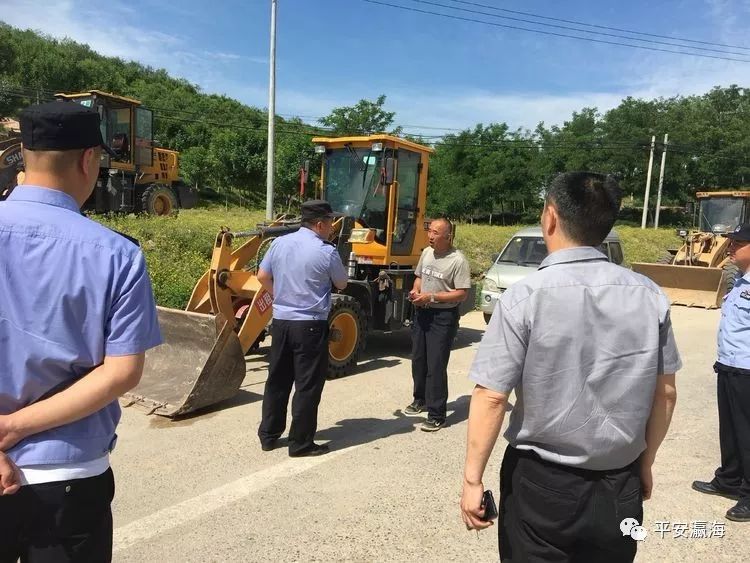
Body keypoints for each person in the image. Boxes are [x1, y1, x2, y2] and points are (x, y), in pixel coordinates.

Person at [460, 172, 680, 562]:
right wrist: (645, 464)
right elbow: (665, 392)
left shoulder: (524, 297)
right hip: (619, 481)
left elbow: (492, 397)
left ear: (550, 217)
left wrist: (472, 480)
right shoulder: (649, 296)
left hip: (542, 483)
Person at [0, 100, 162, 561]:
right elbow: (121, 373)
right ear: (89, 159)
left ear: (24, 155)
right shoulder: (117, 255)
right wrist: (12, 426)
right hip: (68, 477)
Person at [257, 199, 348, 457]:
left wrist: (280, 297)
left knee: (277, 381)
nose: (332, 227)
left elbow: (262, 277)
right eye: (330, 222)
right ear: (319, 224)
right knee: (307, 385)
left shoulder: (279, 243)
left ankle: (269, 435)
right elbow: (341, 284)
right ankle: (300, 443)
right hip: (310, 325)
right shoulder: (326, 251)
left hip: (282, 322)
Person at [692, 223, 750, 523]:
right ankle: (729, 478)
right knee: (729, 429)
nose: (730, 247)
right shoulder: (739, 281)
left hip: (748, 371)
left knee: (747, 432)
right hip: (729, 365)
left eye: (738, 243)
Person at [404, 218, 472, 432]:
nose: (430, 236)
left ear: (447, 236)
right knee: (419, 360)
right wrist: (416, 291)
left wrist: (431, 297)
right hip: (422, 314)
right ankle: (420, 399)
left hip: (443, 318)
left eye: (435, 232)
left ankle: (437, 414)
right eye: (430, 231)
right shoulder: (426, 253)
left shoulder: (458, 260)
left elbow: (462, 293)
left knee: (435, 365)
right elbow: (418, 278)